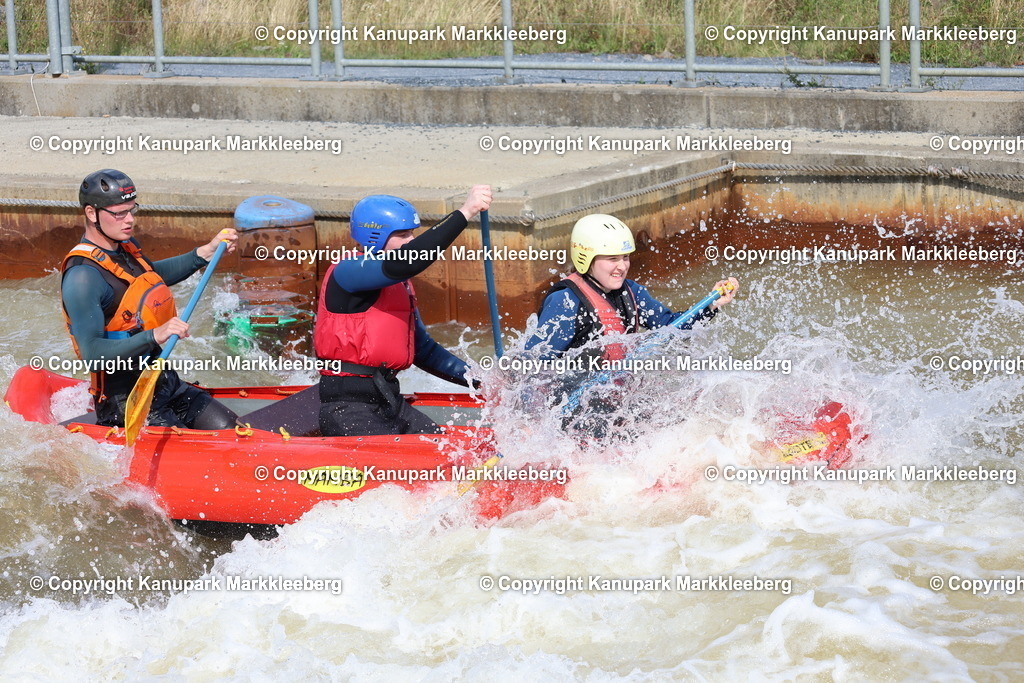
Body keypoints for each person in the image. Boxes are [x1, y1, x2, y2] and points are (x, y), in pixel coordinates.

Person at [522, 214, 738, 433]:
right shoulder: (566, 301)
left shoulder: (631, 292)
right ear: (586, 259)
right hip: (574, 410)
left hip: (618, 402)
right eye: (612, 259)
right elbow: (532, 367)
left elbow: (671, 327)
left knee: (682, 423)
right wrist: (529, 422)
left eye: (625, 258)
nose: (622, 266)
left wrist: (710, 306)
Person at [60, 168, 240, 430]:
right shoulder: (82, 277)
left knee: (233, 431)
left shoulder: (123, 247)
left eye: (132, 210)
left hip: (164, 383)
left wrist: (204, 253)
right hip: (126, 402)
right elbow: (93, 355)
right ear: (91, 213)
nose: (129, 220)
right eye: (119, 213)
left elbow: (150, 277)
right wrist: (155, 335)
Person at [315, 186, 492, 437]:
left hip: (389, 401)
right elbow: (410, 260)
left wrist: (482, 380)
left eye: (412, 234)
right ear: (373, 236)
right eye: (403, 235)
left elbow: (425, 351)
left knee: (444, 453)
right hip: (348, 407)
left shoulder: (398, 283)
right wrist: (465, 212)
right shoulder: (348, 272)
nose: (411, 241)